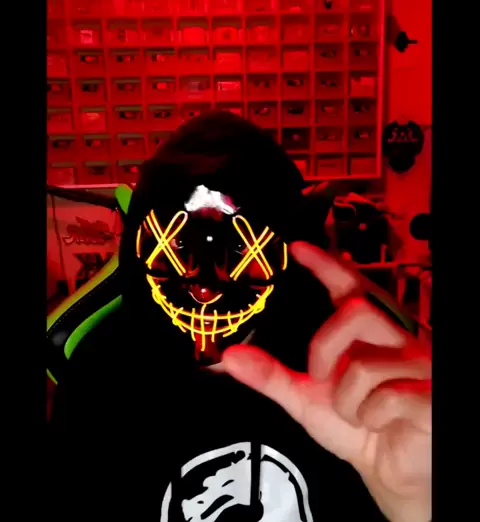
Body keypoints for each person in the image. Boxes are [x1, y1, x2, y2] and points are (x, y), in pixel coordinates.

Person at [48, 111, 431, 522]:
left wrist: (415, 503)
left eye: (236, 250)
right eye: (181, 247)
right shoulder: (100, 374)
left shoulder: (353, 380)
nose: (205, 288)